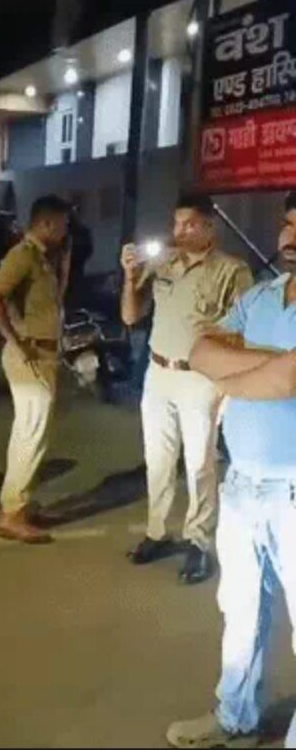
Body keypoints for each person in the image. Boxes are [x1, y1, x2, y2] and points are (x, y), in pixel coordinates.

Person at [166, 191, 296, 749]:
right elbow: (200, 352)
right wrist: (273, 366)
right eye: (287, 223)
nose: (288, 236)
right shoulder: (262, 295)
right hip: (242, 485)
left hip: (293, 490)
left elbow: (284, 382)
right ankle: (236, 715)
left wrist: (240, 372)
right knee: (240, 612)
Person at [120, 194, 253, 584]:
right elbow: (130, 315)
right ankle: (157, 532)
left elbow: (244, 332)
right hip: (158, 373)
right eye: (176, 224)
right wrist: (129, 276)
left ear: (209, 226)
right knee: (158, 460)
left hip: (200, 379)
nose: (179, 231)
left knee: (199, 465)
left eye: (189, 224)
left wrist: (228, 384)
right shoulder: (163, 264)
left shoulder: (231, 271)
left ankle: (199, 542)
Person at [0, 194, 70, 544]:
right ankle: (12, 514)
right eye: (62, 225)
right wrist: (16, 341)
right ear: (46, 223)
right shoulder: (23, 255)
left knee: (31, 433)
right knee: (31, 434)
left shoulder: (45, 257)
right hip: (29, 356)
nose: (65, 231)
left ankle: (21, 503)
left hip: (42, 354)